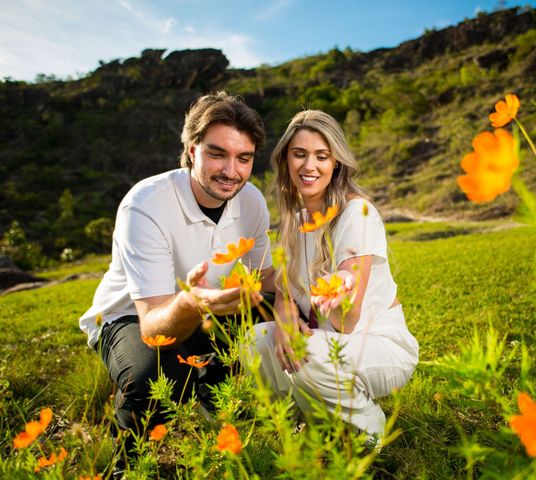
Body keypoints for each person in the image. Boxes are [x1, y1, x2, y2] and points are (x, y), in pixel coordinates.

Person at [79, 91, 275, 442]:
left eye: (244, 158)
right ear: (192, 151)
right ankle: (131, 456)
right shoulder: (146, 205)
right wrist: (193, 303)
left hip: (209, 304)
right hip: (134, 317)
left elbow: (266, 282)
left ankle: (216, 388)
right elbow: (153, 326)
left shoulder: (253, 201)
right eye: (218, 154)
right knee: (157, 377)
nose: (232, 171)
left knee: (288, 314)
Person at [248, 110, 419, 439]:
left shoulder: (358, 213)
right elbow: (284, 293)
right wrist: (285, 322)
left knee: (305, 353)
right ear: (286, 159)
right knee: (254, 342)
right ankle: (308, 421)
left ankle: (368, 428)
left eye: (321, 156)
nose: (309, 166)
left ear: (336, 162)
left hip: (377, 344)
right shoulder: (296, 220)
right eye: (299, 154)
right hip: (327, 344)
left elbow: (346, 321)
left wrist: (340, 291)